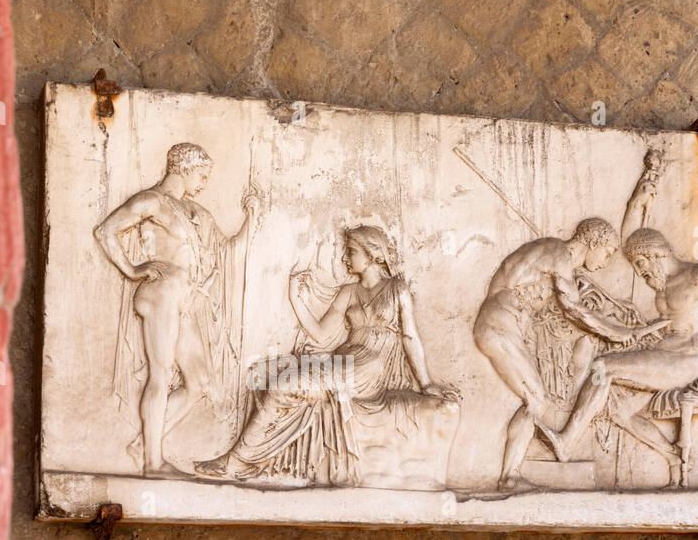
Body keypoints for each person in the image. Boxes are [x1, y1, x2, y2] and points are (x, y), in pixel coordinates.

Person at [195, 225, 457, 485]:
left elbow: (410, 337)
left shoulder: (396, 288)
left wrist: (425, 384)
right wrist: (295, 298)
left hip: (367, 369)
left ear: (371, 255)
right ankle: (254, 459)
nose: (345, 257)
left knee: (286, 385)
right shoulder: (349, 292)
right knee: (263, 374)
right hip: (343, 359)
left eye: (351, 251)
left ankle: (239, 461)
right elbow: (320, 334)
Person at [542, 227, 698, 484]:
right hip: (663, 356)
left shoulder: (697, 276)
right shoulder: (661, 287)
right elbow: (671, 325)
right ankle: (673, 457)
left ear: (656, 254)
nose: (640, 272)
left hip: (688, 361)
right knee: (619, 411)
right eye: (635, 266)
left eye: (641, 263)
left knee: (603, 367)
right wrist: (638, 332)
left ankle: (567, 441)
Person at [93, 142, 260, 475]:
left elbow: (228, 252)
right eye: (201, 174)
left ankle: (144, 443)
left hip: (184, 298)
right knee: (161, 374)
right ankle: (152, 462)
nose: (204, 182)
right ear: (182, 168)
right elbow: (106, 230)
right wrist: (131, 270)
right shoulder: (152, 201)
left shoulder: (195, 213)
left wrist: (252, 217)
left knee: (199, 382)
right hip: (161, 293)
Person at [473, 217, 667, 490]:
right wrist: (618, 333)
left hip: (501, 326)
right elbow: (575, 310)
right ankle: (508, 477)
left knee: (535, 399)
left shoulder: (549, 253)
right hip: (500, 326)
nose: (606, 261)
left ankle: (510, 475)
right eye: (608, 252)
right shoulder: (560, 254)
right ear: (594, 241)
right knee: (537, 400)